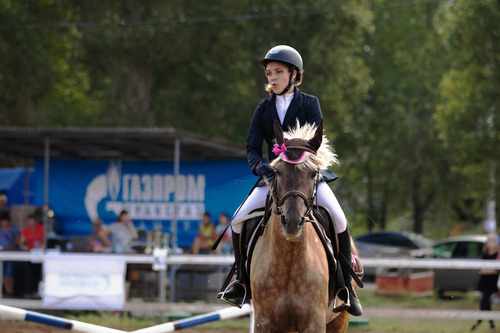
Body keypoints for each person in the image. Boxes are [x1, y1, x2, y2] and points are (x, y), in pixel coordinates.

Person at [217, 45, 362, 316]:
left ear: (294, 74)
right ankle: (239, 279)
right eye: (270, 73)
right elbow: (251, 147)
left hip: (306, 178)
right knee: (238, 220)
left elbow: (316, 141)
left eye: (278, 72)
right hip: (274, 179)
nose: (272, 77)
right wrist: (261, 167)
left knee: (339, 218)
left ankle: (346, 287)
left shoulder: (310, 103)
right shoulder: (263, 109)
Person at [471, 233, 499, 332]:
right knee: (486, 304)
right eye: (489, 242)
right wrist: (489, 270)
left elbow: (496, 271)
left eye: (492, 242)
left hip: (492, 283)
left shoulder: (497, 255)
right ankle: (490, 325)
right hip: (484, 282)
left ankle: (479, 322)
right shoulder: (485, 255)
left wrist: (487, 270)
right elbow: (480, 270)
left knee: (484, 302)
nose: (490, 244)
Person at [0, 214, 20, 296]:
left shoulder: (14, 229)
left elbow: (18, 240)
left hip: (11, 254)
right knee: (2, 272)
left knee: (9, 272)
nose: (3, 223)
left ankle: (9, 292)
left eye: (5, 221)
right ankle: (5, 291)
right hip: (1, 254)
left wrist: (11, 246)